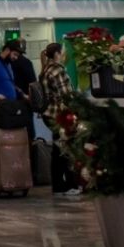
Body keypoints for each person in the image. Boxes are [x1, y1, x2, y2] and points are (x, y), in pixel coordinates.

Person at [38, 43, 82, 196]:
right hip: (60, 114)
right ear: (57, 54)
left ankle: (58, 185)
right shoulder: (57, 70)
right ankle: (71, 184)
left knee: (58, 150)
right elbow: (67, 95)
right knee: (66, 148)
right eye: (63, 52)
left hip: (49, 114)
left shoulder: (45, 69)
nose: (64, 54)